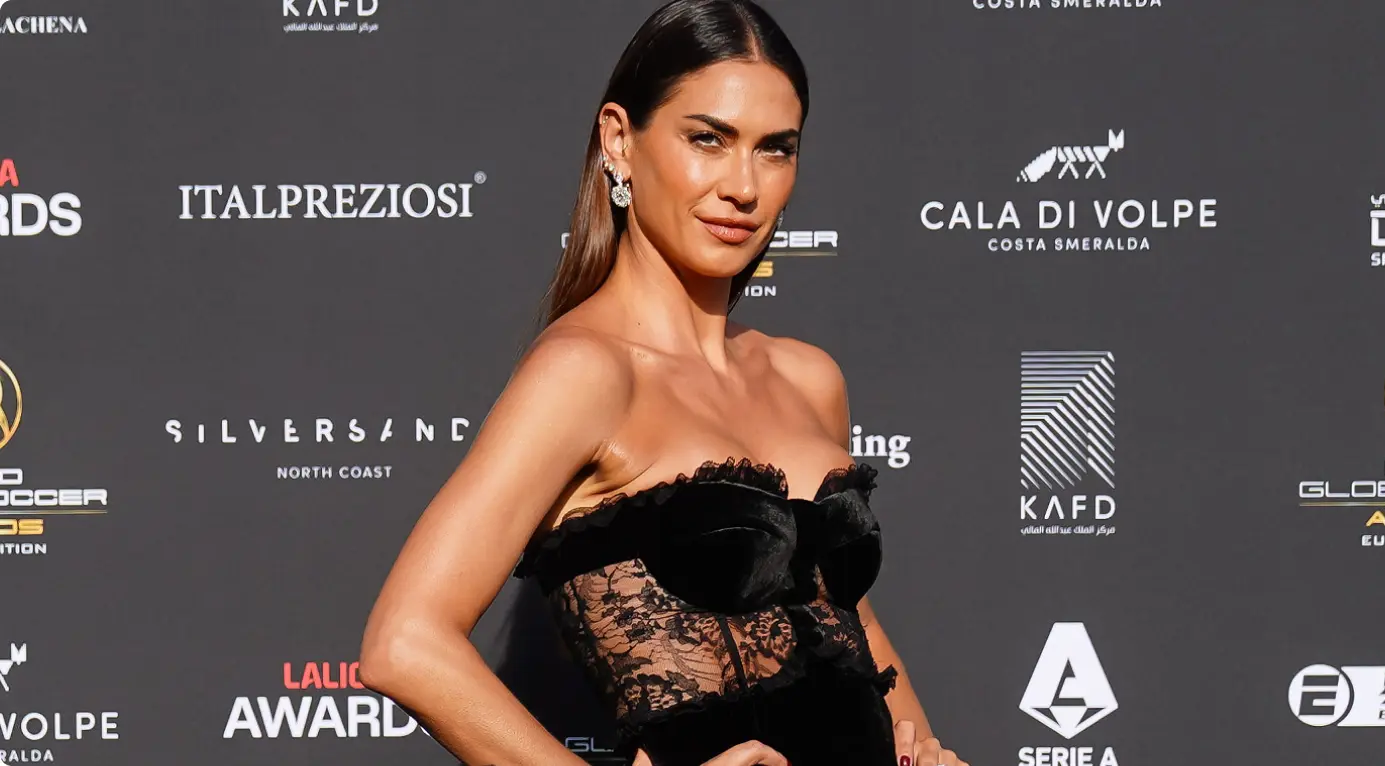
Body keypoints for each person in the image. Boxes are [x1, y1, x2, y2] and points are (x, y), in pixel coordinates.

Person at [358, 2, 968, 764]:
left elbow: (852, 624)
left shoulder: (808, 377)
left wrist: (928, 752)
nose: (744, 186)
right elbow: (403, 643)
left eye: (775, 150)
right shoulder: (585, 373)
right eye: (708, 139)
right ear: (620, 141)